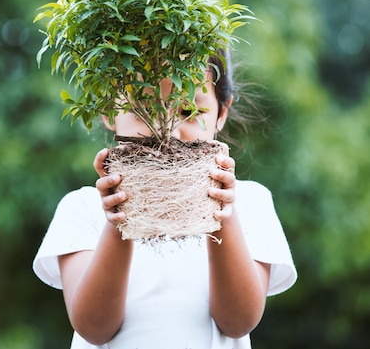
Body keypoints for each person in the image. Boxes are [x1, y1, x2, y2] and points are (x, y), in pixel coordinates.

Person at [32, 51, 297, 349]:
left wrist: (222, 214)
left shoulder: (249, 204)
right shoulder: (81, 209)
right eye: (144, 108)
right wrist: (119, 221)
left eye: (188, 111)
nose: (168, 132)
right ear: (108, 111)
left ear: (221, 113)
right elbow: (94, 328)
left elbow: (238, 322)